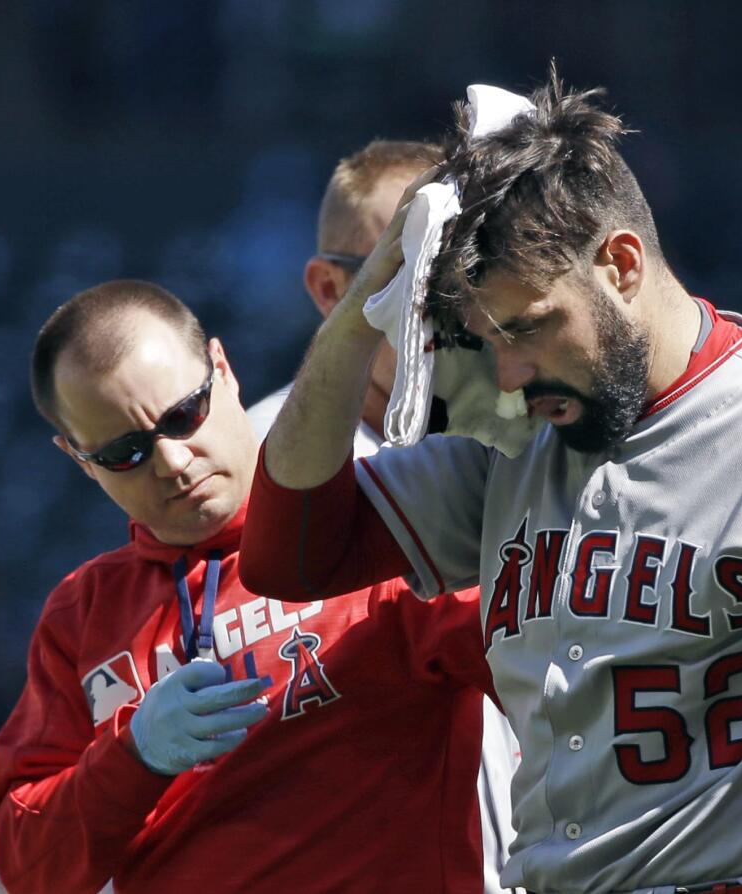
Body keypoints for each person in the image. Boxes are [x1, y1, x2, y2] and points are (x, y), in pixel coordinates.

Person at [240, 74, 742, 894]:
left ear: (619, 265)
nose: (508, 369)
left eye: (532, 325)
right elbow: (289, 556)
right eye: (491, 336)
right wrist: (370, 289)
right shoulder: (517, 434)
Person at [0, 281, 495, 893]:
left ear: (223, 370)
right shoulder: (81, 613)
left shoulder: (377, 528)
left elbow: (558, 674)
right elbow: (26, 870)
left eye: (182, 415)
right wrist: (134, 755)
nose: (173, 463)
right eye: (125, 452)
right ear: (78, 460)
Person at [245, 138, 525, 893]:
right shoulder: (255, 475)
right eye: (406, 273)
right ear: (331, 289)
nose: (443, 305)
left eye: (463, 268)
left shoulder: (528, 424)